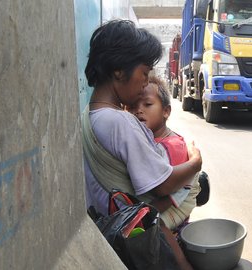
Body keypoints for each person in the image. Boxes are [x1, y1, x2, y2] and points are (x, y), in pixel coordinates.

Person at [82, 20, 197, 270]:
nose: (146, 82)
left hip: (103, 231)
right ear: (119, 71)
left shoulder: (87, 116)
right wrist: (195, 162)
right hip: (133, 241)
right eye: (144, 73)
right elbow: (163, 184)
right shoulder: (122, 122)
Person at [127, 75, 210, 232]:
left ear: (166, 111)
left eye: (147, 104)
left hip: (169, 214)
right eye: (132, 106)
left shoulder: (173, 146)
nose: (138, 110)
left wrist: (145, 213)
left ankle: (180, 258)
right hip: (155, 206)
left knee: (158, 227)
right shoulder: (144, 140)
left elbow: (175, 193)